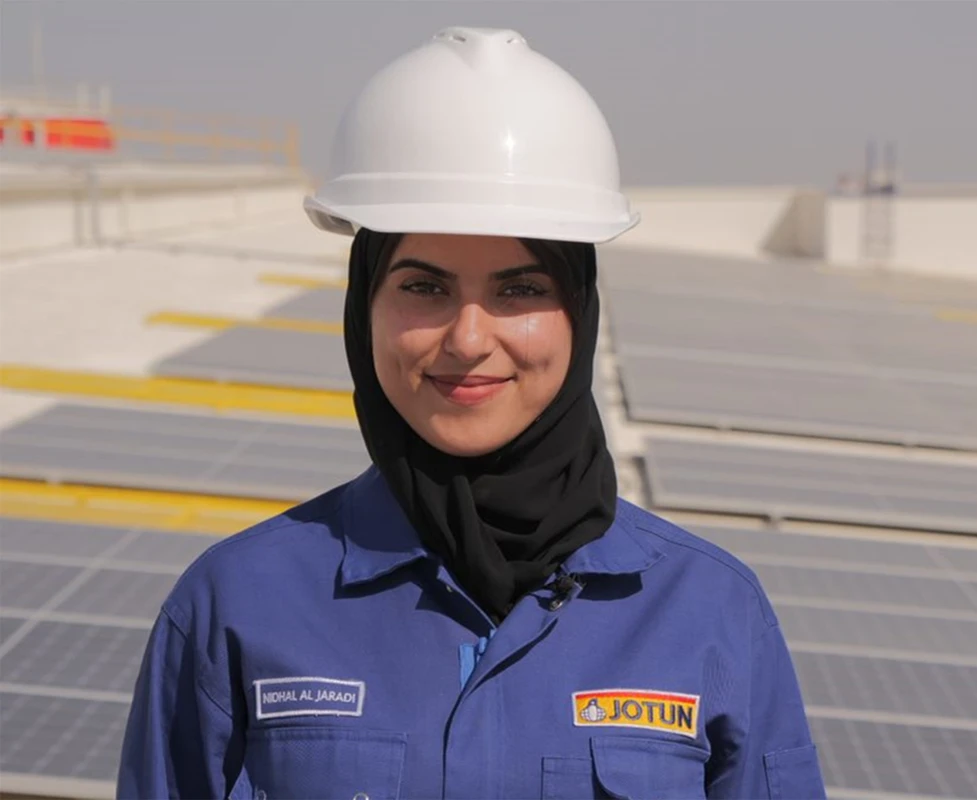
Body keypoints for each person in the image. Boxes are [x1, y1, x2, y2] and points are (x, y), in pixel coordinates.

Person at [117, 27, 825, 799]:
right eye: (424, 287)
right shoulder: (236, 604)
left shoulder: (710, 613)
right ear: (364, 310)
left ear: (579, 314)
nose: (468, 338)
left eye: (521, 290)